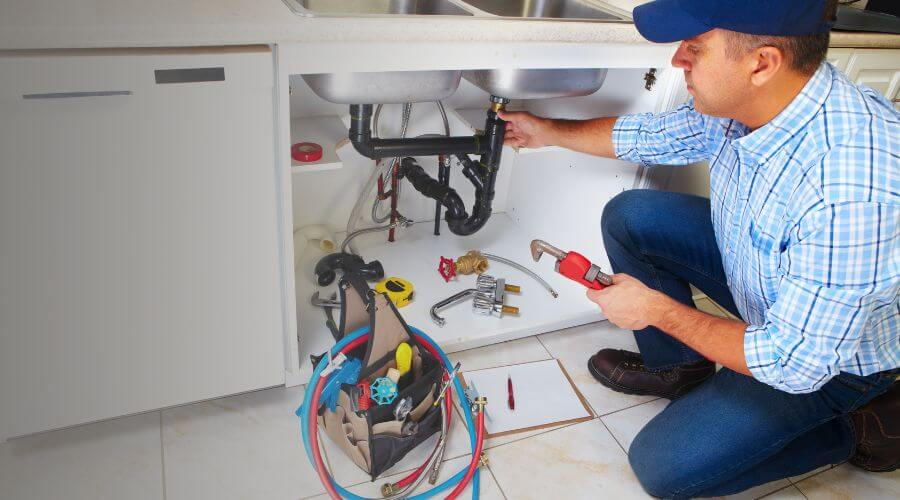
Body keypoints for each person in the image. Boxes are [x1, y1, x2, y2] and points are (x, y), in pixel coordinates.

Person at [499, 0, 899, 497]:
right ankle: (679, 369)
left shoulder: (853, 191)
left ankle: (864, 428)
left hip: (830, 363)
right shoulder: (759, 101)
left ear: (762, 62)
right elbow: (650, 136)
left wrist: (656, 310)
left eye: (696, 48)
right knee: (632, 216)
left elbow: (795, 362)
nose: (677, 61)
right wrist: (546, 131)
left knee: (663, 468)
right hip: (766, 289)